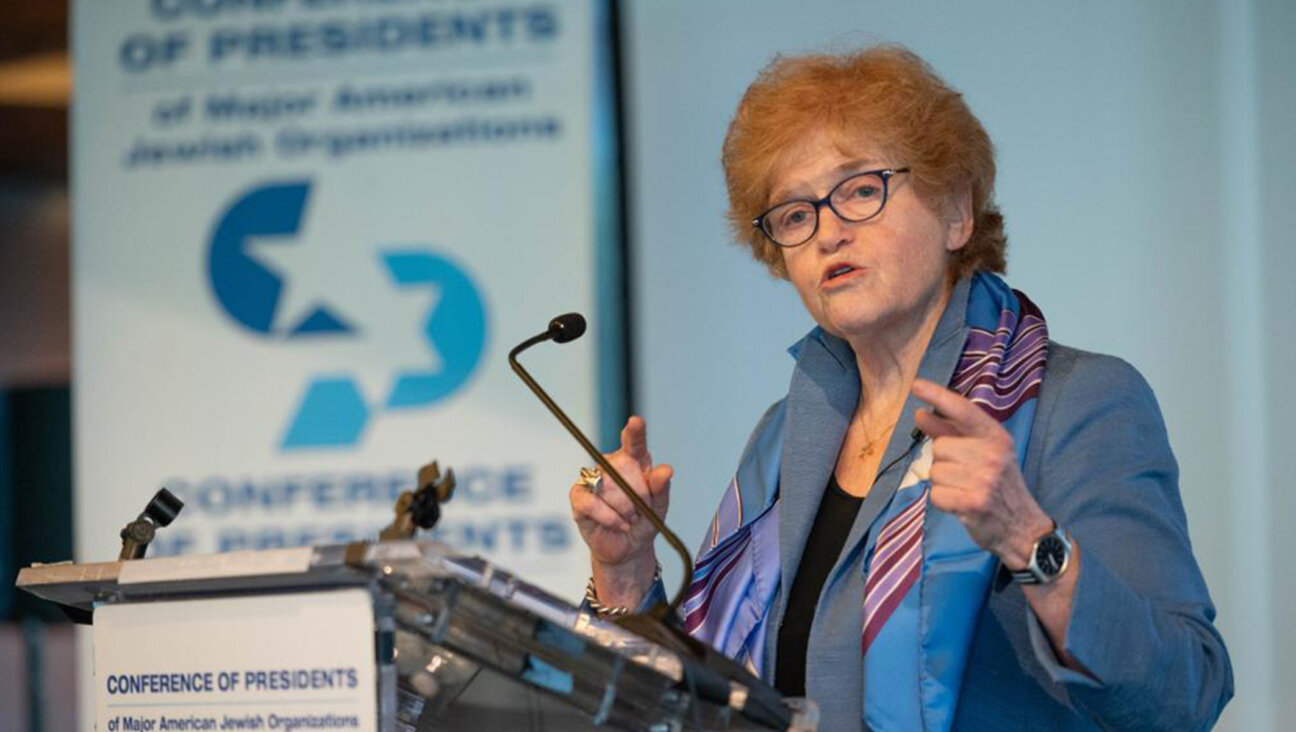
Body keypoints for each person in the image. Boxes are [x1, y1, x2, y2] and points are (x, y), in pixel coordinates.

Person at [569, 45, 1232, 730]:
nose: (827, 233)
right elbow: (708, 698)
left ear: (956, 213)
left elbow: (1186, 694)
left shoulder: (1076, 403)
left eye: (860, 190)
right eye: (795, 215)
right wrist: (623, 573)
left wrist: (1030, 540)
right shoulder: (786, 437)